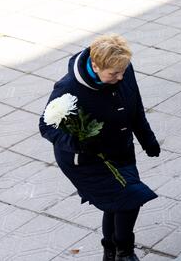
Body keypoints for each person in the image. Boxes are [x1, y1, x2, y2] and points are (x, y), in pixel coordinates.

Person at [39, 34, 160, 261]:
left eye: (123, 70)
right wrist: (77, 143)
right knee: (130, 199)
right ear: (95, 65)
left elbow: (135, 106)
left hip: (120, 150)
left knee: (116, 203)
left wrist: (147, 138)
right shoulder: (68, 87)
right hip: (86, 160)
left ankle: (111, 250)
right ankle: (124, 251)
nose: (121, 76)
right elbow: (46, 126)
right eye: (113, 74)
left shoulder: (123, 68)